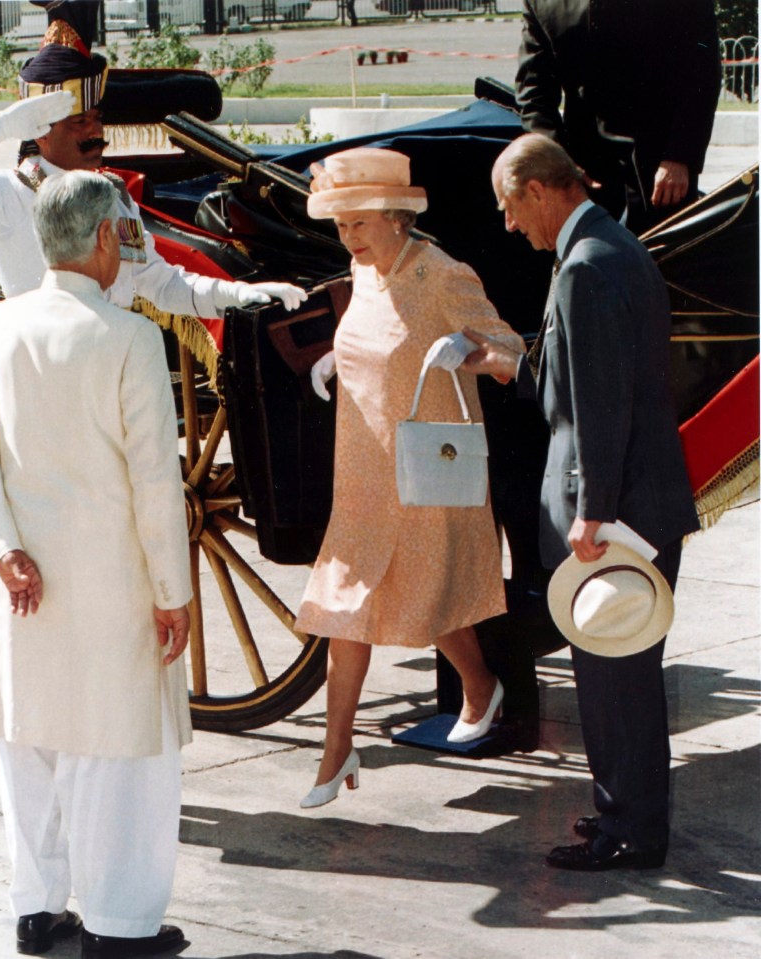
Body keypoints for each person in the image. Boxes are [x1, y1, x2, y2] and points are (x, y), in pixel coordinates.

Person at [462, 133, 699, 870]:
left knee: (614, 676)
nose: (508, 225)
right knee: (622, 671)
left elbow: (599, 407)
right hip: (640, 499)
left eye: (509, 208)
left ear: (538, 190)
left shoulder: (585, 268)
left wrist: (592, 512)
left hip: (615, 512)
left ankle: (628, 830)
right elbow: (578, 374)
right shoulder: (611, 248)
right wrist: (506, 362)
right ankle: (627, 817)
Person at [0, 170, 194, 955]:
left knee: (28, 745)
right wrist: (174, 591)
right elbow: (155, 483)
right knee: (122, 756)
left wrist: (1, 550)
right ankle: (119, 922)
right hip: (114, 587)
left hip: (21, 583)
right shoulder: (131, 337)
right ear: (105, 238)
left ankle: (36, 907)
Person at [295, 147, 525, 809]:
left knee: (427, 601)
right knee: (347, 607)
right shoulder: (363, 270)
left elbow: (511, 352)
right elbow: (370, 334)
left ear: (396, 217)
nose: (348, 238)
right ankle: (337, 752)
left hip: (426, 471)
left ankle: (480, 687)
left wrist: (468, 352)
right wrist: (335, 362)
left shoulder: (442, 274)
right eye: (339, 226)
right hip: (364, 470)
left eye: (358, 224)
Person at [0, 0, 306, 313]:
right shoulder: (8, 194)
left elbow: (162, 284)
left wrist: (236, 293)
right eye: (80, 122)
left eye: (98, 119)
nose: (95, 133)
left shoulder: (112, 195)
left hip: (114, 354)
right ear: (40, 131)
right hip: (38, 362)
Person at [515, 0, 721, 234]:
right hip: (584, 174)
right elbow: (533, 93)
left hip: (660, 172)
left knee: (666, 265)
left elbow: (701, 72)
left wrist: (679, 157)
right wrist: (559, 164)